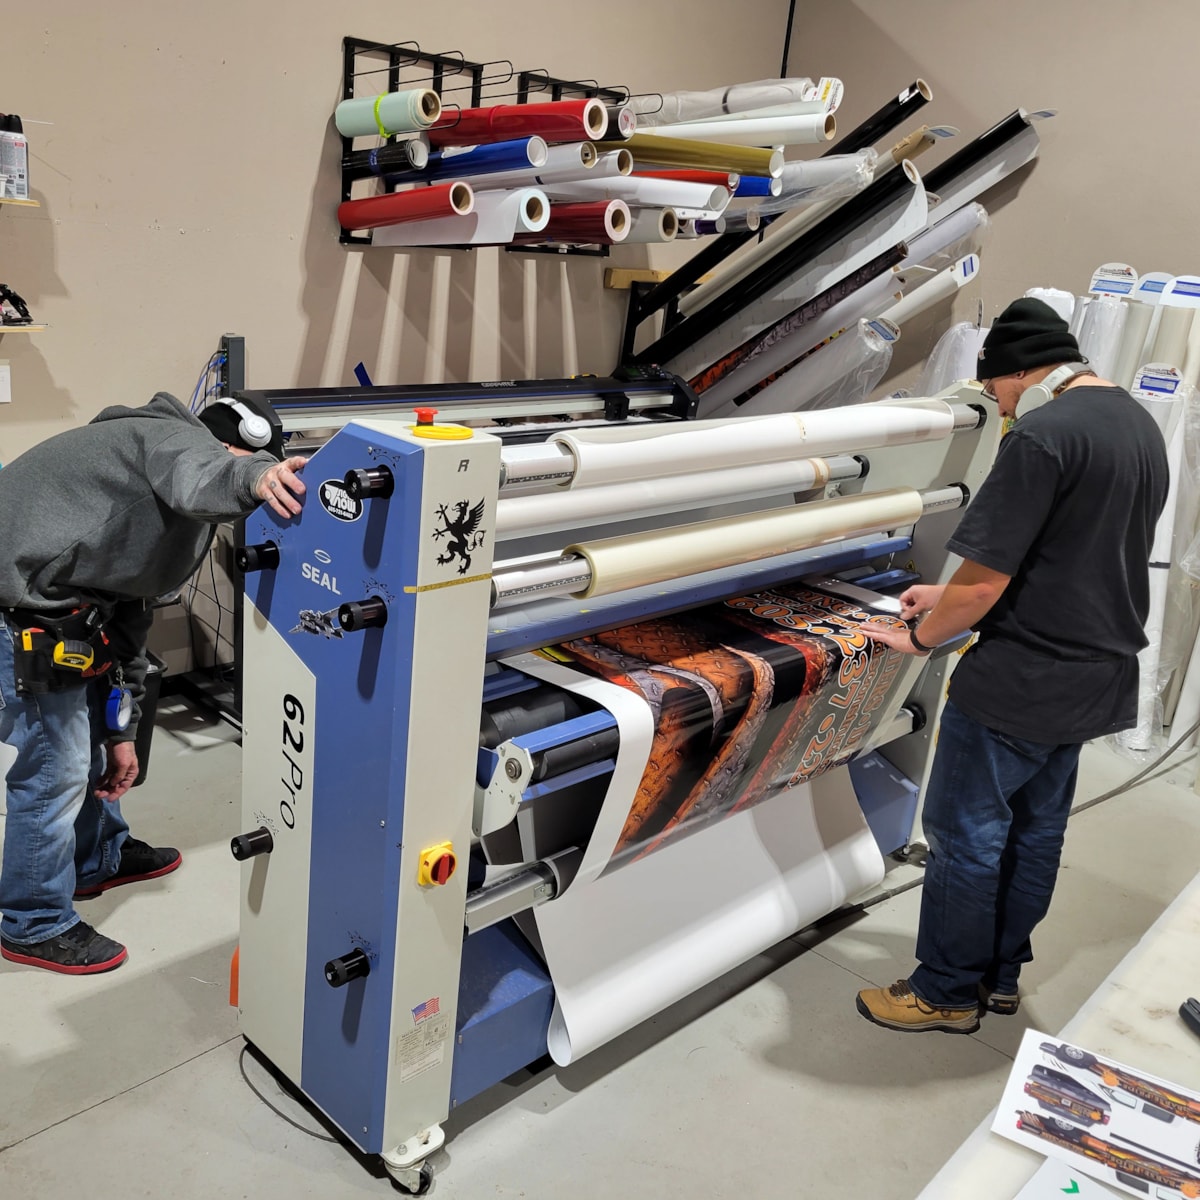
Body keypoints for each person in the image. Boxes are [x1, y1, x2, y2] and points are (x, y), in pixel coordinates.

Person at [854, 297, 1170, 1033]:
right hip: (1092, 676)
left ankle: (943, 992)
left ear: (1021, 372)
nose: (996, 406)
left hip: (1019, 680)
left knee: (965, 835)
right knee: (1035, 832)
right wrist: (947, 593)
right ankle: (998, 978)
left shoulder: (1042, 436)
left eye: (993, 388)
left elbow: (985, 586)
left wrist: (922, 638)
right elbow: (1075, 551)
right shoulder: (1136, 424)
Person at [0, 391, 307, 974]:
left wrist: (123, 730)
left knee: (94, 741)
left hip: (66, 608)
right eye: (247, 461)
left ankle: (97, 857)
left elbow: (130, 628)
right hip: (15, 609)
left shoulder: (167, 511)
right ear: (225, 446)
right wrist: (258, 477)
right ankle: (31, 922)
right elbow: (206, 469)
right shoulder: (170, 437)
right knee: (54, 765)